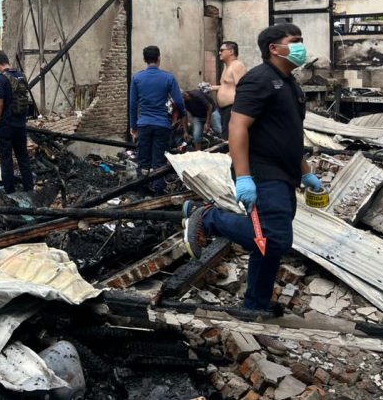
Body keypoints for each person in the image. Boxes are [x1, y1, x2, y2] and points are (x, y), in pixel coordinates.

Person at [184, 23, 324, 313]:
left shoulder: (290, 84)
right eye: (294, 41)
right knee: (275, 238)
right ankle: (209, 217)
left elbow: (290, 134)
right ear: (274, 48)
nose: (300, 46)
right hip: (262, 172)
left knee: (265, 243)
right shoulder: (259, 79)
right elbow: (237, 125)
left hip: (285, 175)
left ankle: (255, 304)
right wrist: (245, 175)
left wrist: (305, 170)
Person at [129, 45, 186, 185]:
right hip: (162, 124)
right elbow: (178, 101)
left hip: (144, 124)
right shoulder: (168, 77)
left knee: (143, 160)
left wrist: (133, 126)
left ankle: (141, 191)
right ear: (159, 58)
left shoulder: (137, 78)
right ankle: (158, 191)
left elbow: (133, 104)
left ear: (144, 59)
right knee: (159, 160)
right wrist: (183, 115)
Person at [0, 51, 34, 194]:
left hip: (6, 126)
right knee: (23, 158)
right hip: (20, 125)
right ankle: (29, 189)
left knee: (6, 159)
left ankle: (10, 191)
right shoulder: (21, 75)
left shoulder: (1, 79)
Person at [210, 41, 247, 139]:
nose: (219, 52)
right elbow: (226, 86)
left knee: (229, 138)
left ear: (231, 51)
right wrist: (211, 87)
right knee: (225, 137)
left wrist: (236, 108)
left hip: (232, 108)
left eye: (222, 50)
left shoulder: (237, 65)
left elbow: (242, 88)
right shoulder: (227, 67)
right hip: (224, 109)